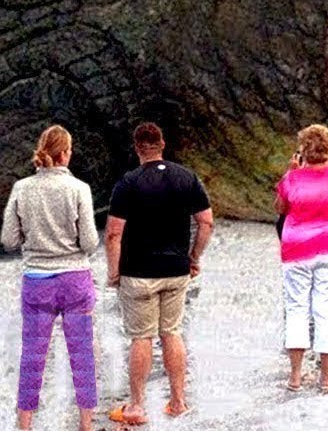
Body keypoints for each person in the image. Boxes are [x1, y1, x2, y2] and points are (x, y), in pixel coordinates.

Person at [105, 122, 214, 424]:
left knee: (141, 338)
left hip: (138, 272)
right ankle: (178, 402)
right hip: (175, 270)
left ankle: (137, 406)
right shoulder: (186, 177)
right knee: (172, 332)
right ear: (162, 144)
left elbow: (114, 233)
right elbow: (206, 222)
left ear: (137, 148)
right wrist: (193, 256)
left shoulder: (128, 183)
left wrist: (114, 272)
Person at [1, 126, 99, 431]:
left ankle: (24, 425)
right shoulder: (79, 189)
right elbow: (90, 243)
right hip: (75, 282)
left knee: (33, 355)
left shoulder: (22, 188)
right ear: (66, 153)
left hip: (37, 282)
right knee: (81, 353)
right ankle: (85, 424)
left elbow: (8, 240)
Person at [275, 124, 328, 394]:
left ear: (303, 150)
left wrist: (293, 172)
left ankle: (296, 376)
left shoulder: (291, 179)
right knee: (326, 307)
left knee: (296, 308)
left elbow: (281, 208)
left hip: (296, 248)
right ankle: (326, 378)